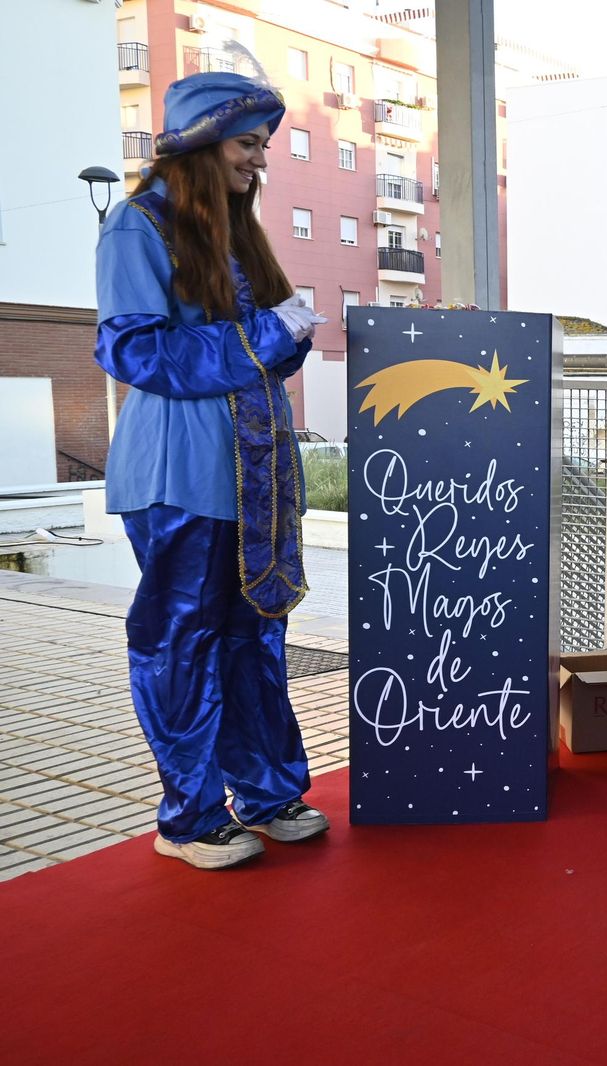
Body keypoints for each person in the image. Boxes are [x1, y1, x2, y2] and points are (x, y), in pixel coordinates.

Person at [94, 72, 331, 870]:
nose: (260, 160)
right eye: (248, 143)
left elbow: (263, 347)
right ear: (200, 143)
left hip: (254, 471)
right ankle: (189, 818)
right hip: (180, 473)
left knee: (255, 635)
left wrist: (290, 331)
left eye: (263, 144)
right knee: (182, 640)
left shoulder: (231, 233)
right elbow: (133, 350)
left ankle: (266, 793)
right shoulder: (136, 226)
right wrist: (266, 334)